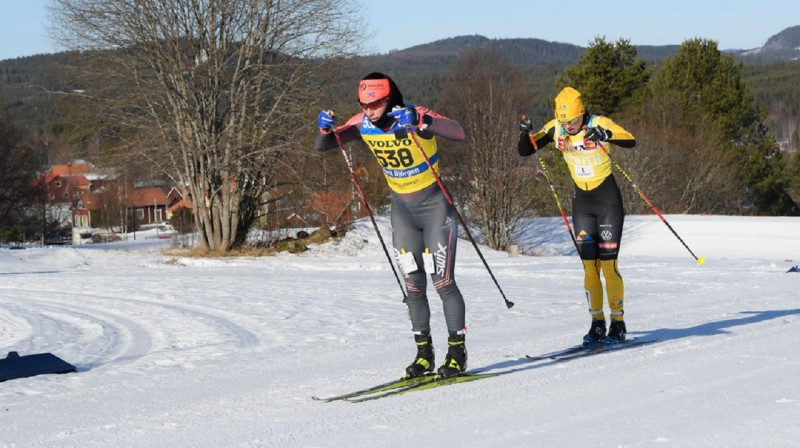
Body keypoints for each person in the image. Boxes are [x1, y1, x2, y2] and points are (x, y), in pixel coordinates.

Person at [314, 72, 469, 378]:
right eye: (364, 104)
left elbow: (458, 133)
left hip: (435, 206)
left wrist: (422, 123)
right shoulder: (362, 123)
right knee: (413, 285)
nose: (369, 110)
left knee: (443, 281)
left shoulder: (412, 115)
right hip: (402, 211)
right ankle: (424, 354)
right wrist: (323, 129)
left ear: (390, 99)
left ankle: (457, 352)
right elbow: (324, 145)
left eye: (376, 104)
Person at [517, 87, 636, 344]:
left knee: (608, 265)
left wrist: (606, 135)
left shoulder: (597, 123)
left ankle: (618, 322)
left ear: (582, 114)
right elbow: (526, 150)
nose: (568, 127)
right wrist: (525, 132)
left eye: (572, 121)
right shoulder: (556, 128)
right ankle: (597, 323)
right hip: (582, 203)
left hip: (607, 201)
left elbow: (630, 139)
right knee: (588, 267)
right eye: (564, 122)